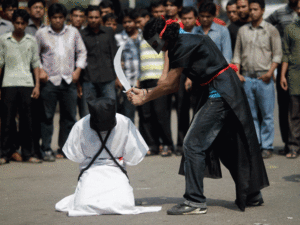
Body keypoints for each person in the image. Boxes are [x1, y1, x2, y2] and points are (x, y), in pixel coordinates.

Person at [127, 17, 269, 215]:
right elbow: (165, 79)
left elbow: (170, 85)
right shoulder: (181, 40)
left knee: (193, 143)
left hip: (220, 93)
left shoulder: (181, 45)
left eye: (154, 43)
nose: (154, 48)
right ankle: (252, 194)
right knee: (227, 145)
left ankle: (195, 201)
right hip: (224, 90)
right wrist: (144, 92)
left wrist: (144, 98)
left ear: (162, 37)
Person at [55, 97, 162, 216]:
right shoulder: (124, 122)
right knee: (122, 204)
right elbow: (133, 157)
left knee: (86, 205)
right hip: (113, 171)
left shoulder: (81, 124)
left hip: (91, 171)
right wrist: (119, 158)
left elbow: (76, 156)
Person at [35, 3, 87, 161]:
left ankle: (65, 148)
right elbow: (35, 55)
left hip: (68, 80)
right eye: (54, 18)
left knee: (69, 117)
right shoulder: (41, 33)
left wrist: (78, 70)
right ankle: (46, 148)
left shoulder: (73, 32)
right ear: (49, 18)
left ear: (65, 18)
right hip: (49, 81)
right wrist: (41, 70)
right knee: (47, 116)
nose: (57, 20)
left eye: (60, 17)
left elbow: (82, 52)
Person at [232, 0, 282, 159]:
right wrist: (238, 73)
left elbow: (277, 54)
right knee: (251, 115)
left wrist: (271, 72)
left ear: (262, 11)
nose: (252, 12)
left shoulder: (271, 30)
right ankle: (256, 145)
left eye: (255, 9)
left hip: (264, 78)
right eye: (251, 9)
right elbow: (237, 55)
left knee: (267, 115)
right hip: (247, 78)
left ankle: (267, 146)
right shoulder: (243, 31)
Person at [0, 9, 41, 165]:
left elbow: (35, 64)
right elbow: (0, 63)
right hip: (8, 83)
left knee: (27, 121)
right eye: (17, 23)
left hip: (27, 83)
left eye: (22, 23)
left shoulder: (31, 40)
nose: (19, 26)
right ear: (13, 23)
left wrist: (37, 85)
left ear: (26, 24)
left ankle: (28, 154)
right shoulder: (4, 40)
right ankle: (5, 153)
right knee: (7, 121)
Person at [132, 8, 174, 156]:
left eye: (139, 21)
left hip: (158, 78)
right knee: (146, 114)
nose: (138, 24)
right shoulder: (139, 37)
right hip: (144, 79)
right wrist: (138, 78)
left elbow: (166, 53)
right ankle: (152, 145)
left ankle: (167, 144)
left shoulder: (154, 35)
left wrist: (164, 74)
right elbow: (139, 58)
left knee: (160, 113)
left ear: (146, 18)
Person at [265, 0, 300, 156]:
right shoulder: (280, 15)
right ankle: (290, 144)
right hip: (288, 69)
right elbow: (265, 28)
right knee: (288, 108)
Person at [80, 5, 117, 117]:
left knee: (110, 112)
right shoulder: (81, 34)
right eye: (91, 17)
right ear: (87, 18)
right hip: (88, 79)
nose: (93, 20)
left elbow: (114, 54)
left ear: (101, 17)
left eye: (96, 17)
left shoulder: (108, 32)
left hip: (108, 79)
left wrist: (118, 77)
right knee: (88, 114)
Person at [280, 0, 300, 159]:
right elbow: (285, 53)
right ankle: (293, 146)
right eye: (298, 8)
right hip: (294, 76)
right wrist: (282, 75)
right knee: (293, 114)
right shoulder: (290, 29)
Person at [115, 8, 143, 123]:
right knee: (128, 115)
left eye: (130, 21)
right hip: (128, 82)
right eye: (125, 22)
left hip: (144, 80)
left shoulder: (144, 35)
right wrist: (119, 79)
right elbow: (116, 60)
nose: (127, 24)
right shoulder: (118, 38)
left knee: (146, 116)